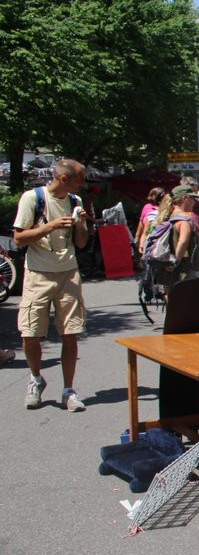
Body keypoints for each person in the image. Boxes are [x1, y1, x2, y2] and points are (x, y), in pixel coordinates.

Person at [12, 158, 89, 411]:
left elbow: (80, 243)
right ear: (64, 178)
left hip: (68, 274)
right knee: (30, 333)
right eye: (80, 179)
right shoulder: (33, 198)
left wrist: (80, 225)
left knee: (70, 333)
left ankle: (69, 390)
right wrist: (51, 226)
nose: (84, 184)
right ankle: (36, 379)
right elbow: (19, 238)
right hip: (38, 274)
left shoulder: (75, 202)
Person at [152, 184, 199, 288]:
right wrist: (175, 261)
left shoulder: (169, 216)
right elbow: (183, 242)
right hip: (185, 271)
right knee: (186, 302)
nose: (194, 202)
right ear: (184, 198)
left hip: (169, 270)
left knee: (173, 300)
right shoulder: (185, 220)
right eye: (192, 198)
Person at [133, 187, 166, 257]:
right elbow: (143, 225)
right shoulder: (148, 208)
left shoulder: (165, 210)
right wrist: (138, 238)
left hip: (156, 241)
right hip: (149, 236)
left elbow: (148, 228)